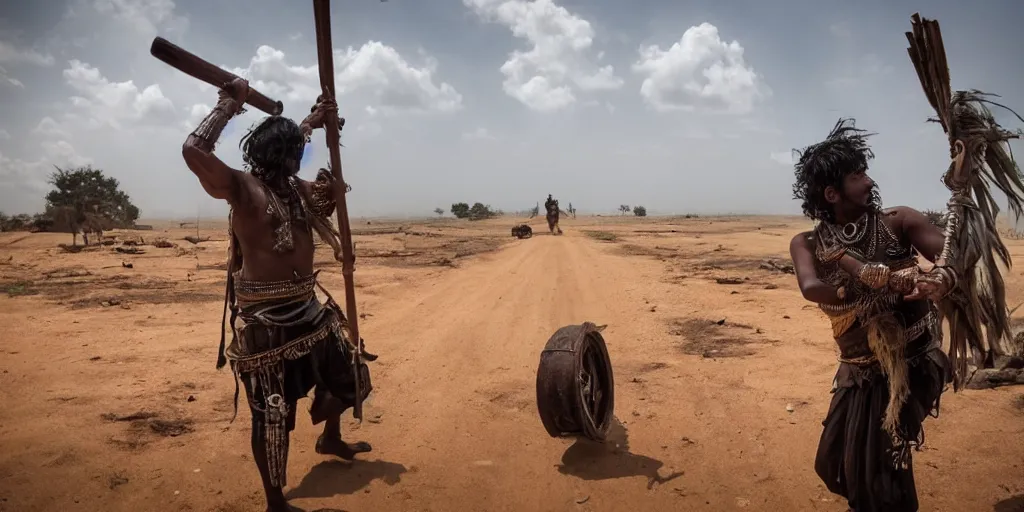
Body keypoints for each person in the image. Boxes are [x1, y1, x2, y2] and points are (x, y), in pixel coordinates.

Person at [182, 78, 373, 512]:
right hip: (267, 323)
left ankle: (331, 438)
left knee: (349, 377)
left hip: (310, 309)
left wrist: (315, 121)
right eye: (290, 152)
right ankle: (275, 502)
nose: (297, 157)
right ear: (274, 155)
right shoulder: (240, 187)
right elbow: (194, 152)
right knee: (271, 415)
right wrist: (228, 104)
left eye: (297, 151)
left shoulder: (296, 187)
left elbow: (310, 169)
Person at [788, 118, 957, 512]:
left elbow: (949, 253)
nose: (868, 180)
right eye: (857, 174)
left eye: (865, 171)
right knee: (834, 462)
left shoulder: (898, 221)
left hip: (907, 365)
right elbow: (811, 288)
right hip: (857, 368)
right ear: (832, 192)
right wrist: (857, 286)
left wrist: (940, 278)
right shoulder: (808, 243)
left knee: (880, 469)